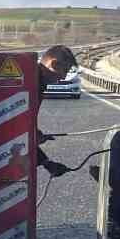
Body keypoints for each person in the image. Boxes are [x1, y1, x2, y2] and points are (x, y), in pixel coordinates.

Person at [34, 45, 79, 177]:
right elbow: (17, 132)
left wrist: (36, 134)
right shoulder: (32, 83)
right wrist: (46, 162)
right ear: (53, 64)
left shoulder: (36, 80)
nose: (64, 77)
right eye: (64, 70)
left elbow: (24, 126)